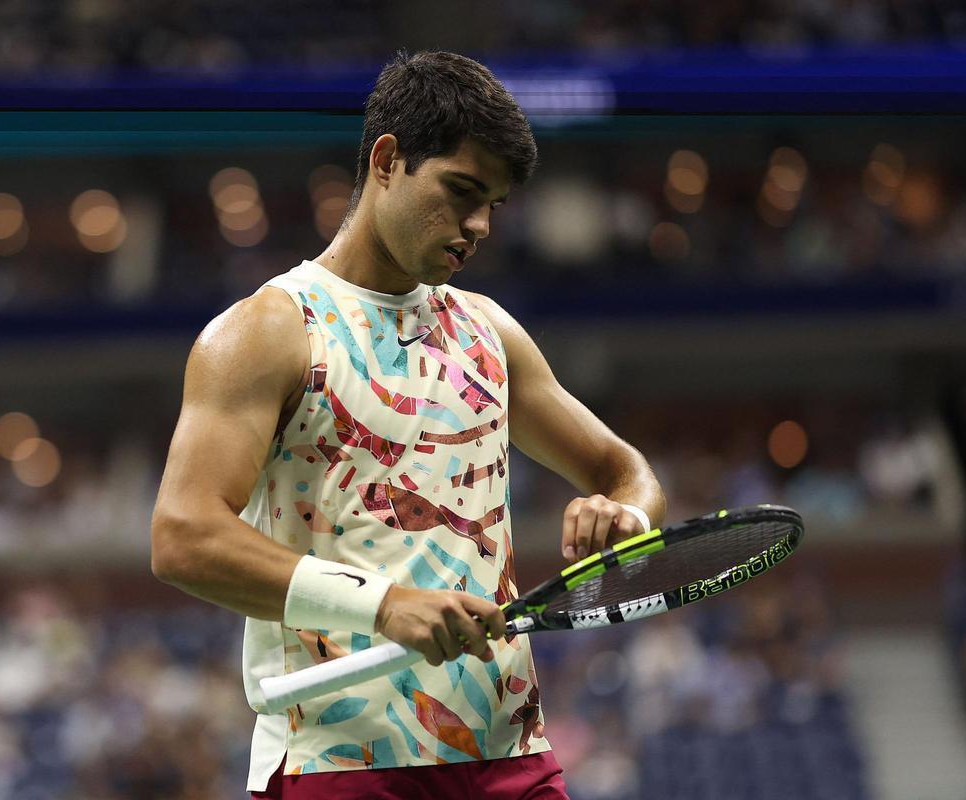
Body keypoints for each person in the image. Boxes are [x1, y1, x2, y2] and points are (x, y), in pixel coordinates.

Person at [150, 50, 665, 799]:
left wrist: (625, 516)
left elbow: (630, 473)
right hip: (340, 762)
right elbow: (183, 536)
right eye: (461, 190)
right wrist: (384, 605)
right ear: (387, 160)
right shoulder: (269, 330)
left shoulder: (489, 331)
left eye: (494, 203)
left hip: (510, 754)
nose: (480, 224)